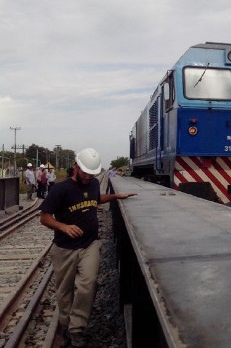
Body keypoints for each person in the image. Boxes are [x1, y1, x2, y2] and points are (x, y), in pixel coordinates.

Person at [39, 148, 136, 348]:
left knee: (87, 285)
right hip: (64, 248)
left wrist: (117, 196)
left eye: (91, 173)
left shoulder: (92, 183)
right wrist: (63, 227)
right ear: (76, 167)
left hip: (90, 244)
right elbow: (45, 218)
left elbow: (96, 199)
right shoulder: (60, 189)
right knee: (64, 291)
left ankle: (77, 329)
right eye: (85, 172)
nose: (88, 176)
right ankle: (66, 324)